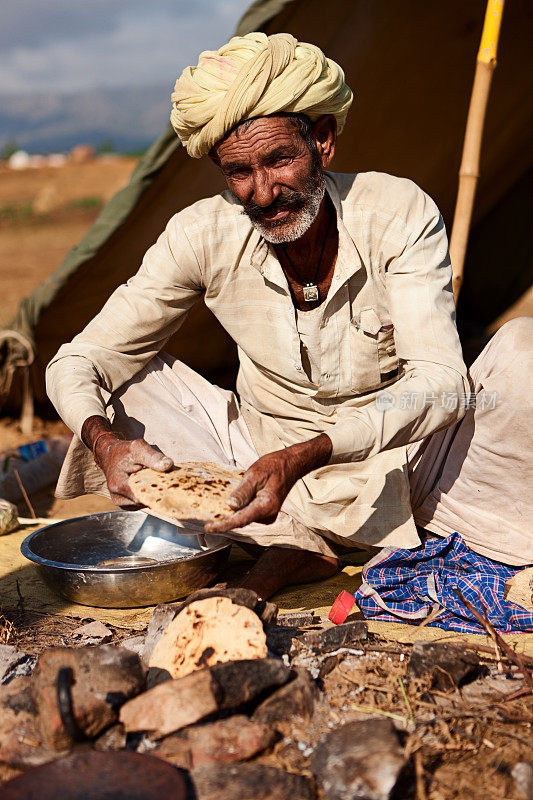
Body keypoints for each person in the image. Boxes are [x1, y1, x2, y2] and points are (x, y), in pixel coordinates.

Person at [47, 31, 509, 601]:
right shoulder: (202, 234)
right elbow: (78, 358)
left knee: (520, 356)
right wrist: (104, 443)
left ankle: (295, 548)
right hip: (254, 464)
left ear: (322, 141)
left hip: (407, 465)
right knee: (124, 379)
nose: (262, 192)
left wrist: (308, 453)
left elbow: (438, 384)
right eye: (238, 171)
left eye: (279, 160)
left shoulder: (397, 214)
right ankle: (292, 544)